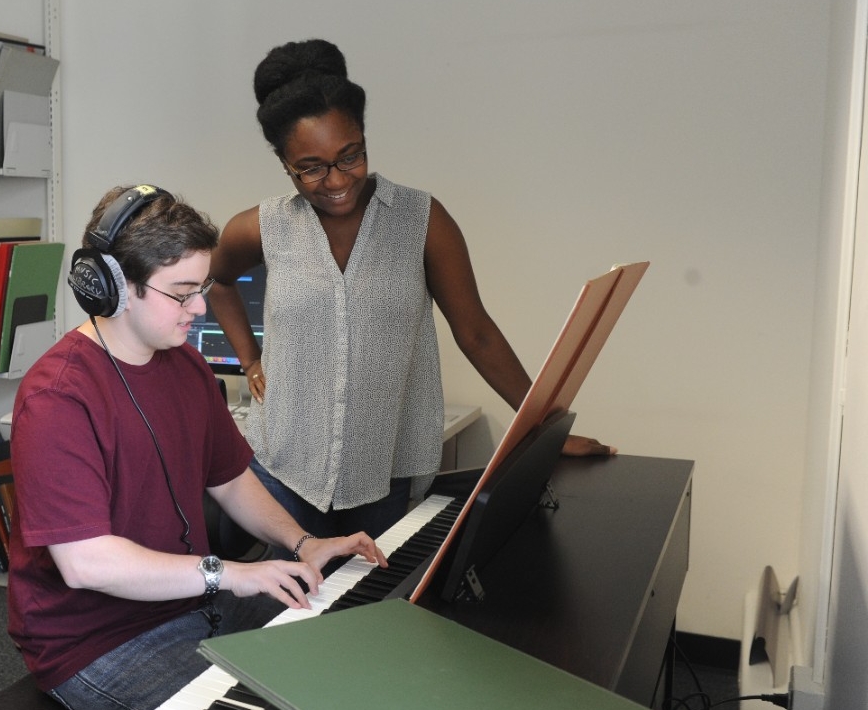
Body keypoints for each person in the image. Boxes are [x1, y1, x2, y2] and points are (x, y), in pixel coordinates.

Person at [207, 39, 615, 545]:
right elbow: (218, 282)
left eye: (349, 156)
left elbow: (477, 333)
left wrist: (546, 430)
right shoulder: (262, 226)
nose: (335, 180)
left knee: (372, 610)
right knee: (287, 618)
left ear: (363, 138)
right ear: (284, 162)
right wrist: (250, 361)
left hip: (384, 471)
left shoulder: (422, 220)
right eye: (310, 167)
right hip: (283, 469)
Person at [6, 184, 387, 710]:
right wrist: (231, 572)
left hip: (195, 603)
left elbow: (229, 479)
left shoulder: (186, 365)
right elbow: (86, 564)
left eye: (202, 287)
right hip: (98, 642)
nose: (202, 307)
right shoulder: (58, 398)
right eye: (182, 293)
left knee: (347, 657)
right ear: (113, 288)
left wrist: (302, 544)